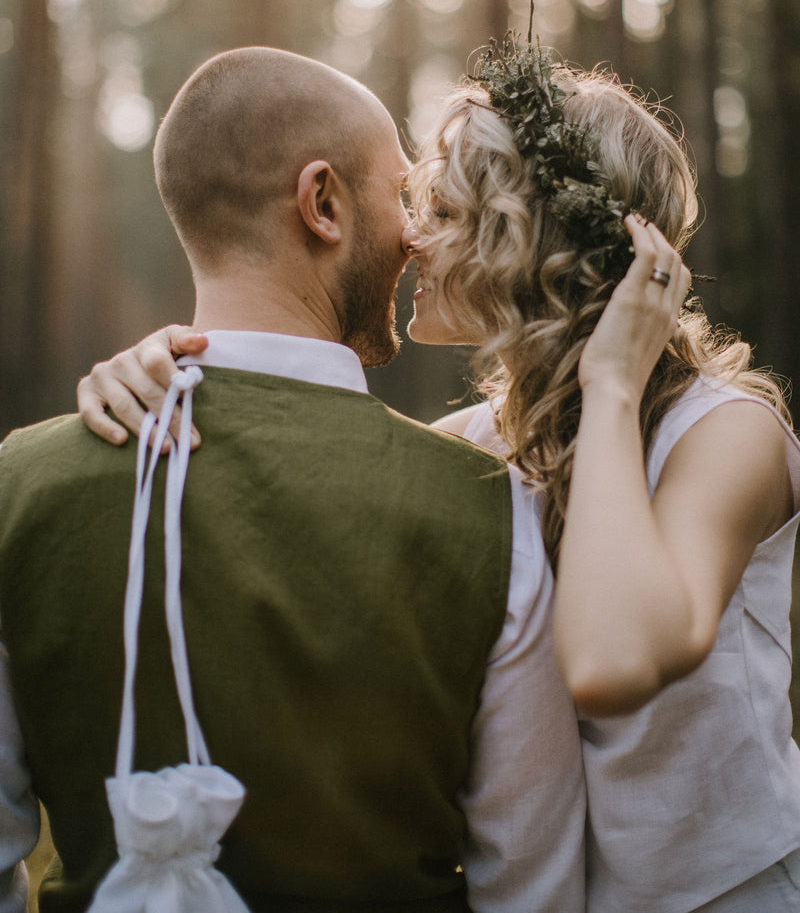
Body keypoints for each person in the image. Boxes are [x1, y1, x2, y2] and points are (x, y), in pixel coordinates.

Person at [81, 32, 800, 912]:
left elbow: (613, 660)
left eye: (447, 214)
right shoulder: (470, 443)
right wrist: (170, 368)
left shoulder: (726, 434)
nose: (412, 239)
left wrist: (611, 389)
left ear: (540, 247)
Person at [0, 46, 585, 913]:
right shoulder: (489, 508)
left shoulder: (18, 486)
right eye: (402, 198)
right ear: (322, 203)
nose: (418, 237)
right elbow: (533, 890)